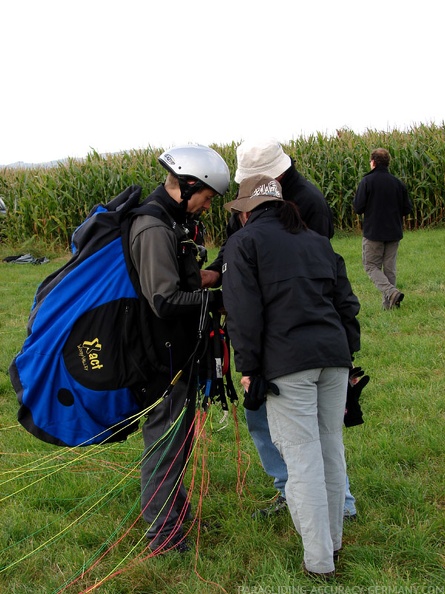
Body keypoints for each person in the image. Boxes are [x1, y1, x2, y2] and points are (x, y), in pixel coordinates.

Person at [202, 137, 357, 520]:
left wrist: (252, 363)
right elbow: (234, 252)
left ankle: (330, 506)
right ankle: (303, 497)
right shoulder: (248, 211)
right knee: (285, 426)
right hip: (296, 340)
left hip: (290, 342)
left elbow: (320, 272)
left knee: (314, 437)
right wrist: (210, 275)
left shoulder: (309, 202)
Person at [221, 175, 361, 579]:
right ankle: (332, 542)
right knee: (330, 450)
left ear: (246, 212)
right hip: (333, 357)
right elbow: (345, 303)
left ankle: (319, 562)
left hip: (287, 363)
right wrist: (348, 357)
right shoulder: (317, 241)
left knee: (301, 460)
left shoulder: (243, 244)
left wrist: (248, 368)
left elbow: (243, 312)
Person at [129, 144, 230, 553]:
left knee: (178, 436)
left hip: (180, 350)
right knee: (165, 438)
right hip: (160, 354)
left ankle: (174, 508)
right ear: (189, 186)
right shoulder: (154, 226)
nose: (208, 206)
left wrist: (219, 272)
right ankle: (162, 534)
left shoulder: (176, 221)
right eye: (207, 197)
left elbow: (184, 279)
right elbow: (164, 300)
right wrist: (219, 299)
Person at [353, 148, 413, 310]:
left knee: (371, 266)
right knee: (389, 268)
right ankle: (390, 306)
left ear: (373, 162)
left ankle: (391, 292)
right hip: (394, 232)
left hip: (374, 233)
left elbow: (358, 207)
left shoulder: (367, 182)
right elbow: (407, 209)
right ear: (387, 163)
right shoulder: (398, 183)